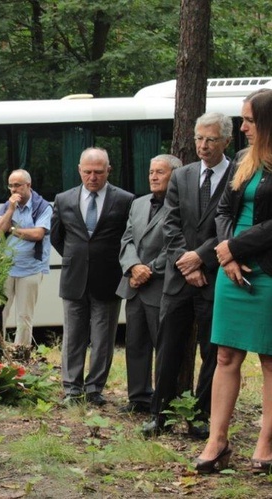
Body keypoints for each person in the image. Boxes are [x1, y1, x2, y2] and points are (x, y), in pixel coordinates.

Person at [194, 89, 272, 473]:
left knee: (271, 361)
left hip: (267, 268)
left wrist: (234, 248)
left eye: (250, 121)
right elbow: (224, 209)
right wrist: (226, 252)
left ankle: (266, 442)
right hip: (232, 266)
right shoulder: (242, 159)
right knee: (225, 355)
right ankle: (217, 440)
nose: (242, 128)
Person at [142, 112, 233, 438]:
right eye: (199, 138)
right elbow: (171, 222)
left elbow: (231, 225)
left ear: (226, 141)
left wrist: (201, 258)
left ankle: (200, 416)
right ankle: (159, 414)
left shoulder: (238, 175)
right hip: (179, 278)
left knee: (212, 351)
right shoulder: (183, 175)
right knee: (168, 347)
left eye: (210, 139)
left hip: (215, 275)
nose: (203, 146)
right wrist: (185, 261)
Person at [50, 147, 134, 406]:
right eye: (87, 172)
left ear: (108, 170)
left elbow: (128, 237)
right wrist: (76, 257)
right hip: (74, 278)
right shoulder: (64, 199)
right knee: (73, 337)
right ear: (79, 170)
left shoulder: (125, 200)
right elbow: (57, 236)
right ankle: (71, 389)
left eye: (98, 172)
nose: (93, 177)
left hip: (108, 278)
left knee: (103, 338)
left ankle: (94, 388)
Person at [116, 155, 180, 414]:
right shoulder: (138, 203)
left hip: (161, 285)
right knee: (135, 343)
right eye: (151, 171)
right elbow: (127, 238)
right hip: (134, 285)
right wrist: (133, 266)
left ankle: (163, 401)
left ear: (174, 175)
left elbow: (176, 244)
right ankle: (139, 397)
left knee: (162, 346)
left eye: (160, 172)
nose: (153, 176)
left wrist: (149, 270)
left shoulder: (180, 205)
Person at [0, 169, 52, 347]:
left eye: (17, 185)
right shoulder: (7, 206)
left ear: (28, 185)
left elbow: (38, 234)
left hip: (31, 268)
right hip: (7, 267)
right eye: (10, 186)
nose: (13, 189)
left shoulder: (42, 207)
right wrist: (10, 209)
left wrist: (12, 230)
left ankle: (21, 353)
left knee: (24, 316)